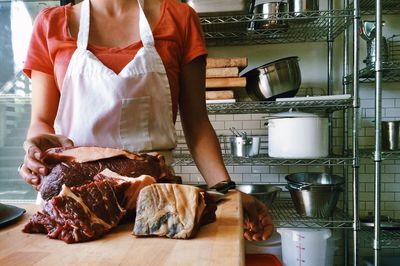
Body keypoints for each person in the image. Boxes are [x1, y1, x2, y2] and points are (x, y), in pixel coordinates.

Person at [18, 0, 273, 241]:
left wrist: (226, 190)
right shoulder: (49, 24)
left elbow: (197, 124)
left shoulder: (180, 19)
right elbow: (41, 121)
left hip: (157, 207)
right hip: (74, 209)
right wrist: (36, 150)